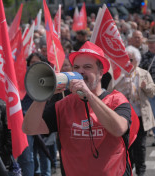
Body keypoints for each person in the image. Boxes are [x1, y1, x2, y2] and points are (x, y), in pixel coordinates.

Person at [22, 41, 134, 175]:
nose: (81, 71)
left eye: (87, 67)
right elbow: (29, 128)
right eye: (76, 67)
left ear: (100, 72)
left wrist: (89, 96)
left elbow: (118, 129)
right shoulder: (64, 105)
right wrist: (43, 96)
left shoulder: (117, 100)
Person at [110, 46, 155, 176]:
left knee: (140, 145)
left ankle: (141, 170)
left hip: (140, 115)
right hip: (124, 116)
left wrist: (146, 86)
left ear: (136, 60)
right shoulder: (119, 75)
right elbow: (110, 91)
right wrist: (121, 88)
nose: (128, 62)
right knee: (127, 145)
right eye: (126, 59)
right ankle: (130, 168)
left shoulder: (143, 73)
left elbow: (153, 91)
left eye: (130, 59)